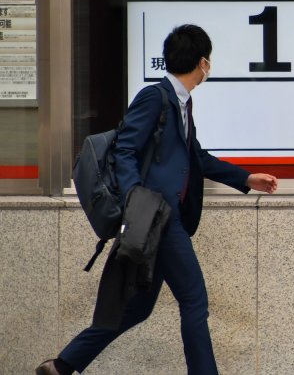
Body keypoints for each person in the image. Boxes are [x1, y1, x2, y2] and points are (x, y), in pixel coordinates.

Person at [36, 24, 278, 375]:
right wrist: (137, 199)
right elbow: (125, 150)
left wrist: (246, 178)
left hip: (163, 219)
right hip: (158, 217)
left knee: (137, 309)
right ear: (202, 62)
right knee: (195, 302)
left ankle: (62, 365)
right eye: (208, 62)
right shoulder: (156, 97)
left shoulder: (182, 103)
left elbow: (196, 157)